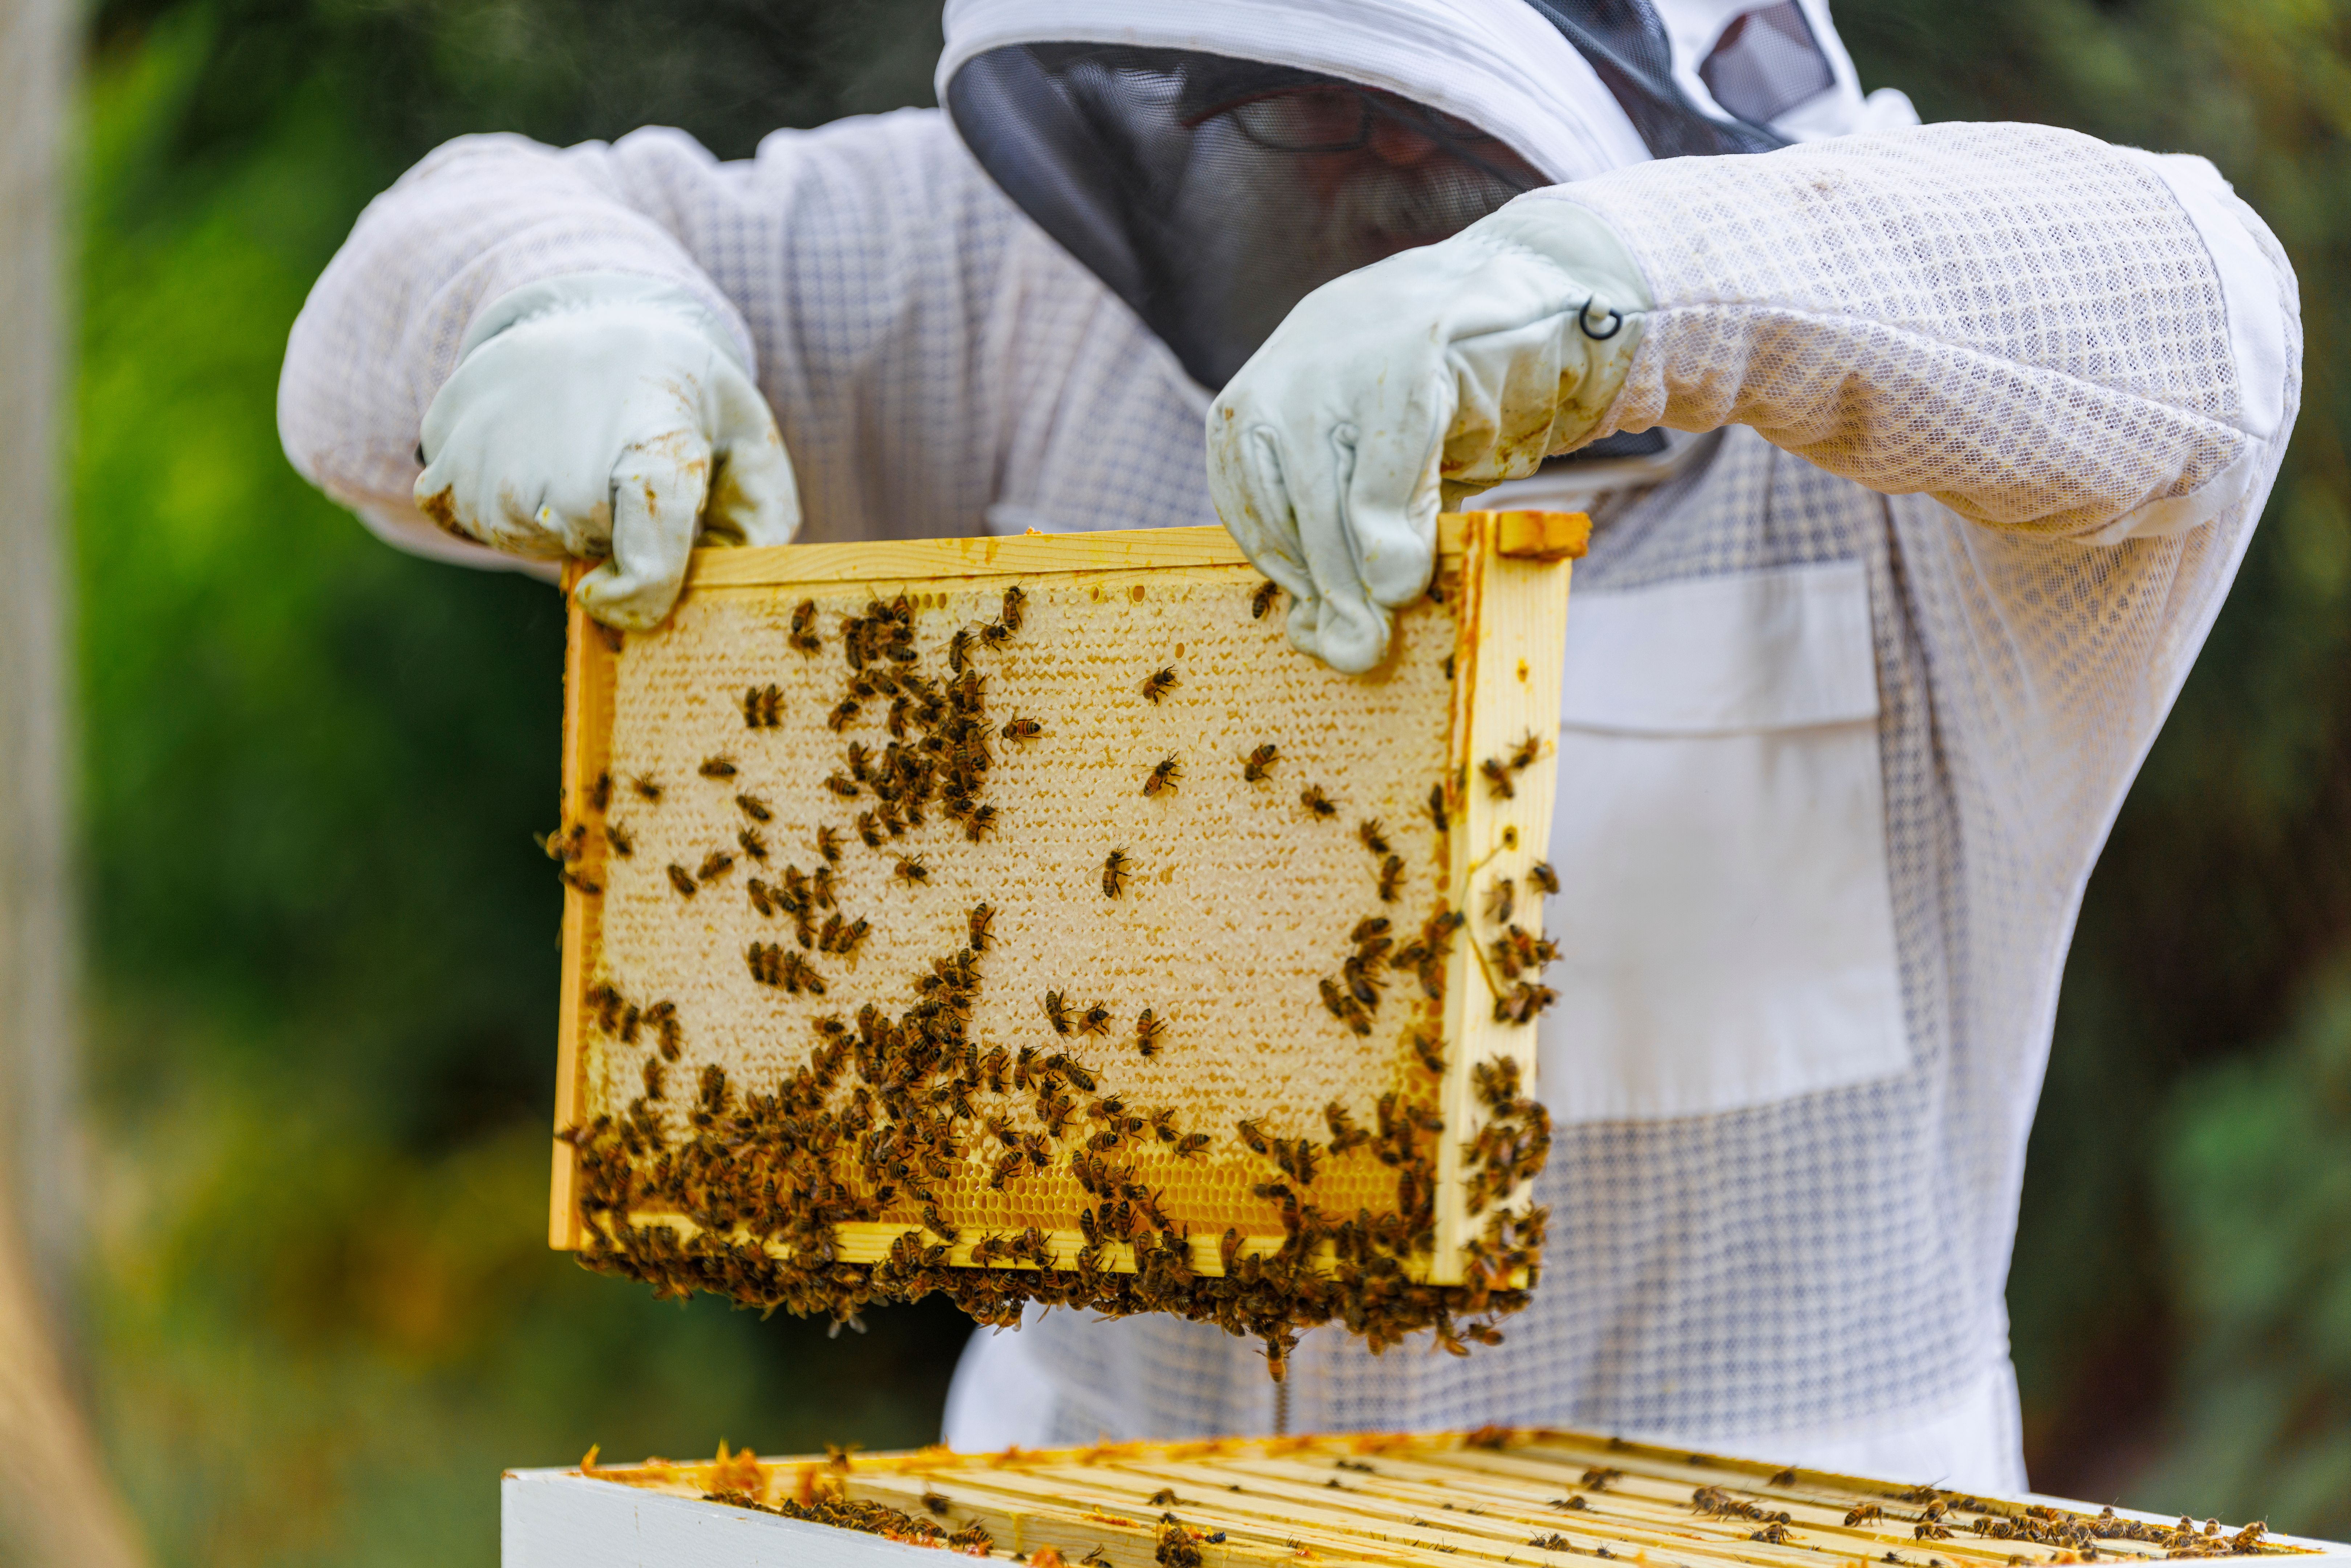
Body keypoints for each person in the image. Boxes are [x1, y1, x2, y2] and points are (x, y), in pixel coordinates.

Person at [277, 0, 2300, 1493]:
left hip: (1767, 1523)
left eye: (1424, 133)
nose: (1361, 181)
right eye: (1284, 111)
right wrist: (554, 316)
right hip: (1083, 1514)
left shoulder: (1912, 399)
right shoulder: (1015, 297)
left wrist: (1608, 296)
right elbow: (453, 244)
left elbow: (2208, 313)